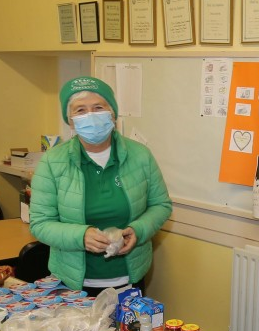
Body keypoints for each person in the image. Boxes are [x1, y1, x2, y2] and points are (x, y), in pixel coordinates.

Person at [30, 76, 172, 294]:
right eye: (80, 110)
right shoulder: (52, 162)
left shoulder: (140, 155)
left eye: (98, 107)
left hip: (130, 278)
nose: (91, 116)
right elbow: (40, 223)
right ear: (70, 120)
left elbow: (161, 205)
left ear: (113, 114)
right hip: (74, 284)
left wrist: (138, 230)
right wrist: (81, 236)